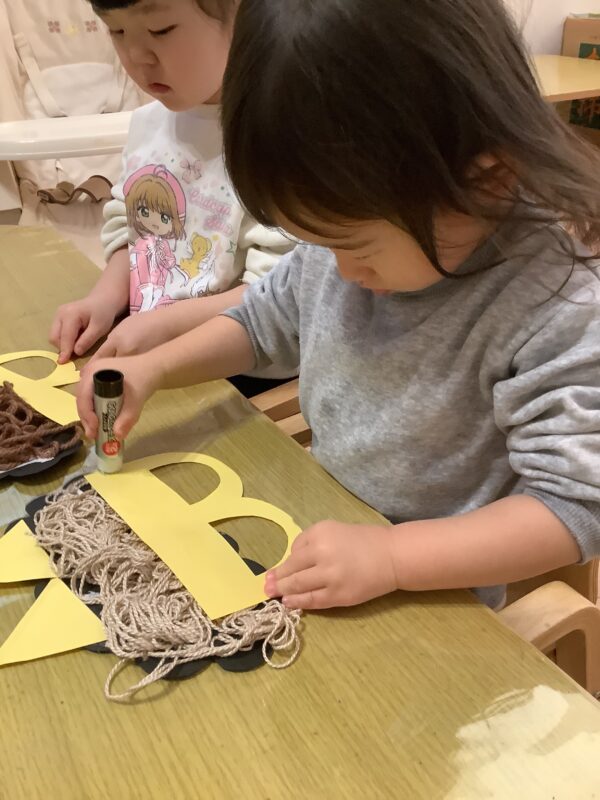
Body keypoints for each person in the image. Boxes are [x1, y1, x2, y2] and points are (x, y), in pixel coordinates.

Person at [77, 0, 600, 613]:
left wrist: (393, 558)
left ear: (488, 178)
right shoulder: (353, 225)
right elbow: (263, 323)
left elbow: (574, 505)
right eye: (321, 245)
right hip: (320, 529)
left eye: (358, 248)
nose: (341, 272)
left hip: (431, 599)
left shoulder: (556, 300)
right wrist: (155, 368)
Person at [49, 0, 291, 394]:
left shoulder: (283, 137)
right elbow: (135, 234)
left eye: (161, 30)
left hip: (239, 375)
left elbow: (281, 293)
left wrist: (163, 325)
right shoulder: (148, 124)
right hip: (147, 353)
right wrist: (104, 300)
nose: (136, 57)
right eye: (116, 31)